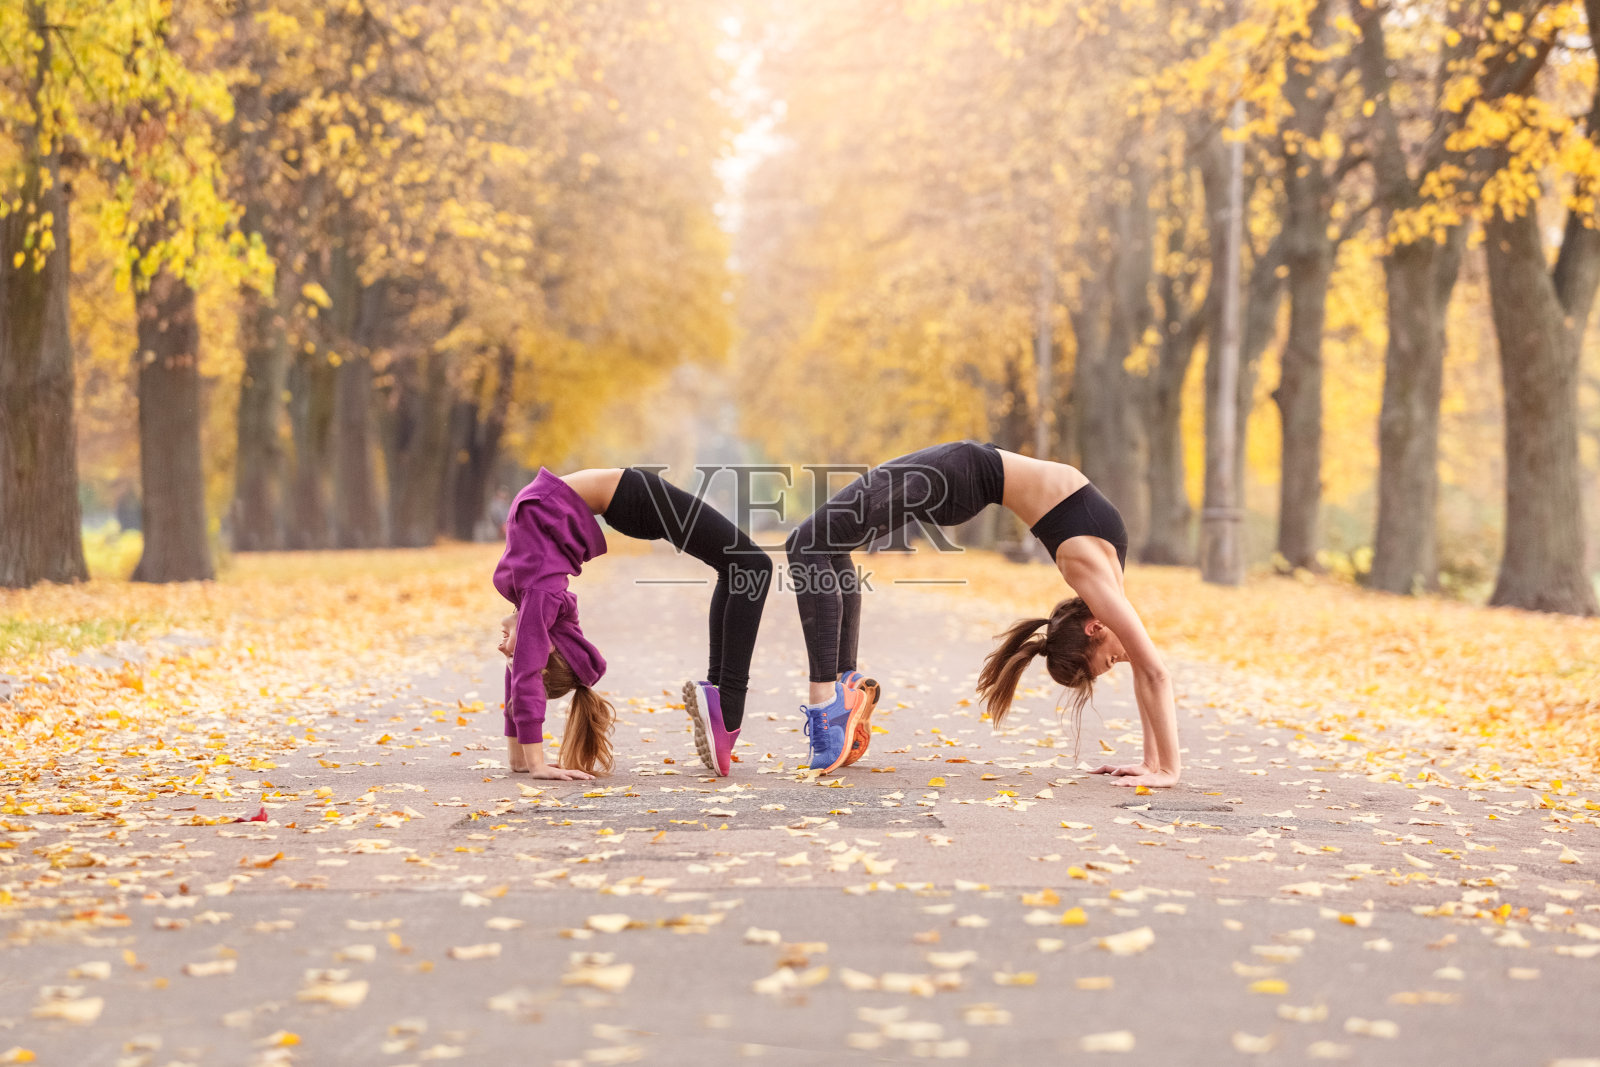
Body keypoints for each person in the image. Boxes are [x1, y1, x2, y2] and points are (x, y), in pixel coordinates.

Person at [785, 440, 1180, 787]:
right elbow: (1154, 673)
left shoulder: (1101, 585)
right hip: (960, 473)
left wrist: (1155, 763)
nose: (1121, 658)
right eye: (1110, 661)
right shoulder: (1092, 576)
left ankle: (836, 699)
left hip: (962, 475)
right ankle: (833, 698)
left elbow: (1147, 674)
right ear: (1094, 627)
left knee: (810, 543)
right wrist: (1165, 769)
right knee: (815, 544)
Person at [496, 466, 771, 779]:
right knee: (751, 566)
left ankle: (720, 701)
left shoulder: (530, 597)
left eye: (507, 655)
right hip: (632, 497)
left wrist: (521, 757)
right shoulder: (540, 597)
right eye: (510, 654)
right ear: (544, 643)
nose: (502, 647)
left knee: (741, 567)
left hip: (628, 497)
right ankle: (725, 708)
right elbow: (526, 670)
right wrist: (534, 764)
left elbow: (523, 672)